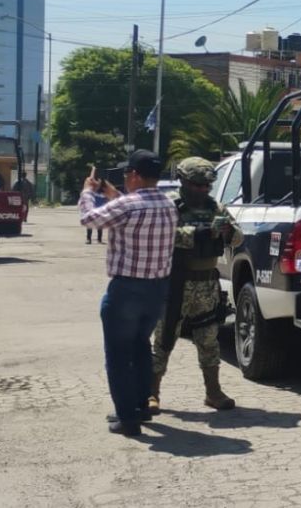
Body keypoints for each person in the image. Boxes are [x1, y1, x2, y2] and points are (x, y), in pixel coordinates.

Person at [80, 150, 176, 436]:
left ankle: (128, 418)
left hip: (126, 289)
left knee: (119, 354)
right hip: (157, 289)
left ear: (134, 175)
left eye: (126, 174)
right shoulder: (169, 205)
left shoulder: (128, 206)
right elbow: (132, 209)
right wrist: (115, 195)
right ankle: (141, 405)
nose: (124, 178)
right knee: (141, 347)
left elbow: (89, 219)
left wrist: (88, 192)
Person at [149, 157, 242, 414]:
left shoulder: (215, 207)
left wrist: (226, 232)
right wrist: (198, 234)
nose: (202, 190)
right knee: (164, 337)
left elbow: (238, 237)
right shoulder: (168, 205)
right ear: (183, 181)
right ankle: (151, 392)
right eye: (196, 185)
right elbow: (160, 234)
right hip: (174, 281)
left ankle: (213, 392)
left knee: (209, 339)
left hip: (206, 284)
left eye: (206, 186)